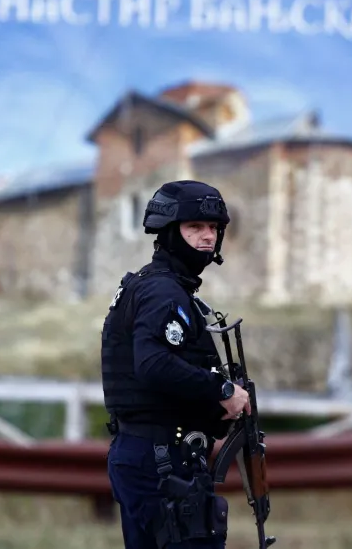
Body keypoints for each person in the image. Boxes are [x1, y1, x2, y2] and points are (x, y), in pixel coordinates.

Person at [101, 180, 253, 549]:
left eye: (213, 229)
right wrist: (222, 391)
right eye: (195, 227)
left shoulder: (158, 286)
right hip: (160, 460)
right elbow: (153, 365)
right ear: (170, 232)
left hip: (149, 454)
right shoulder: (162, 292)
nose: (207, 237)